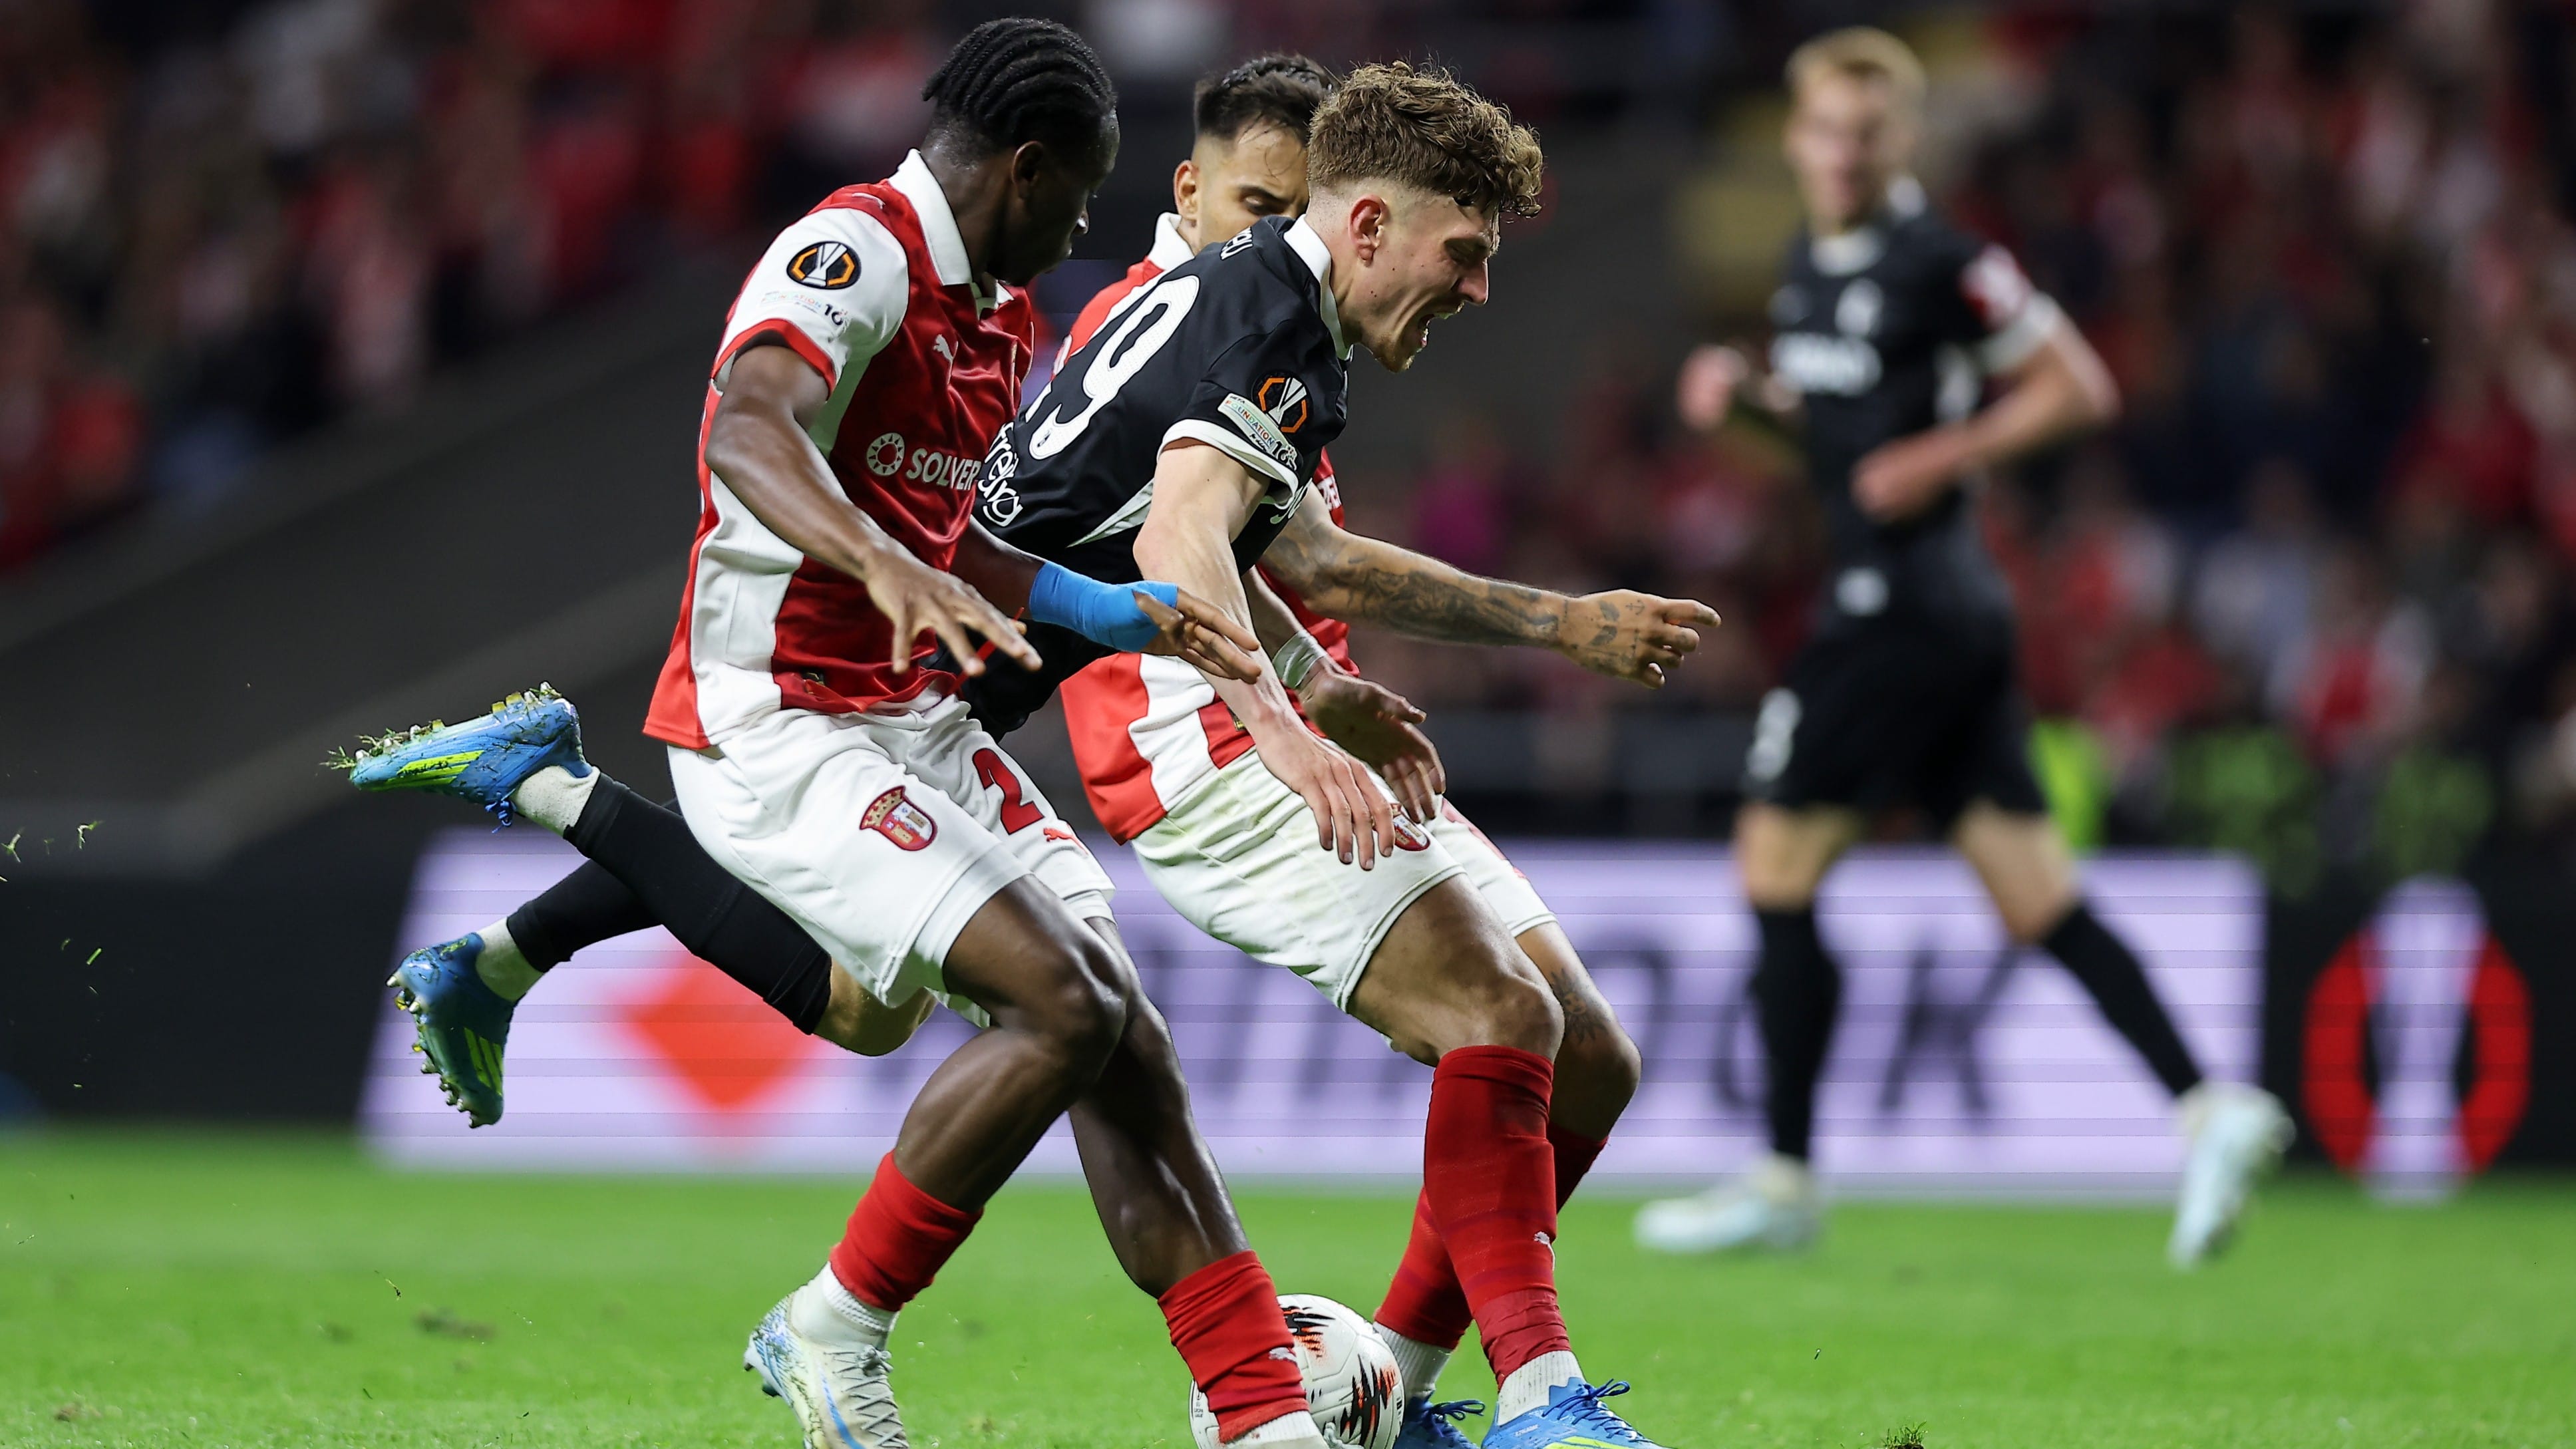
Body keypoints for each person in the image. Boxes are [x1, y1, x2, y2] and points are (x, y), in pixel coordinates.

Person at [345, 21, 1344, 1449]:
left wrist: (1130, 618)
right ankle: (829, 1329)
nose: (1076, 235)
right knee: (1058, 1002)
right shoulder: (853, 251)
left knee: (1109, 1030)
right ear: (1027, 167)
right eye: (1074, 201)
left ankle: (1261, 1414)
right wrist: (875, 563)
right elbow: (749, 433)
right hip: (778, 721)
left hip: (908, 725)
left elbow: (964, 550)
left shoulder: (998, 320)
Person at [969, 61, 1712, 1449]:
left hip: (1227, 700)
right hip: (1179, 733)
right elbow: (1176, 540)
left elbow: (1295, 551)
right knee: (1501, 1017)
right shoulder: (1253, 304)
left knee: (1586, 1059)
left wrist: (1536, 630)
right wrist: (1289, 730)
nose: (1480, 290)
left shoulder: (1264, 301)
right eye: (1467, 255)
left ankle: (1408, 1404)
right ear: (1363, 226)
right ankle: (1543, 1402)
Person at [1631, 27, 2292, 1269]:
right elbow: (1840, 452)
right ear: (1794, 136)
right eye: (1826, 130)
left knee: (1774, 863)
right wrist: (1753, 407)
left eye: (1868, 135)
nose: (1843, 154)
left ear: (1904, 143)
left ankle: (1782, 1175)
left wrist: (1948, 453)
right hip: (1945, 615)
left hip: (1905, 607)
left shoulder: (1945, 257)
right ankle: (2214, 1107)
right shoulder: (1805, 267)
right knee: (2036, 894)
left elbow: (2078, 386)